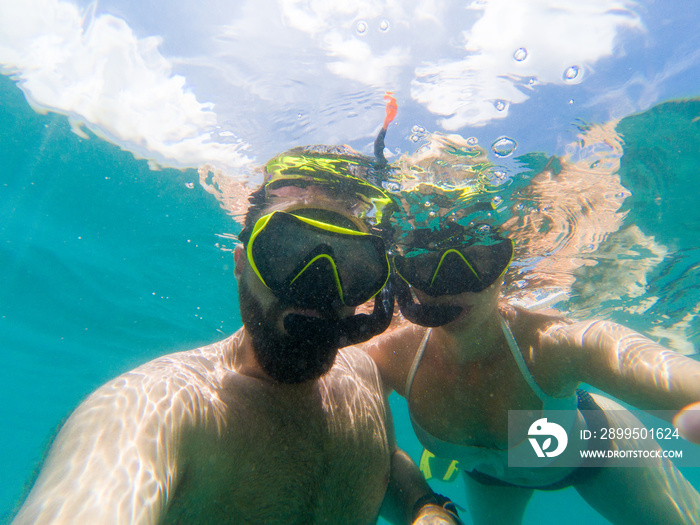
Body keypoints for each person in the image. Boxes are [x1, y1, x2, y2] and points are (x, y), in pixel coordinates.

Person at [12, 146, 463, 525]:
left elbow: (380, 462)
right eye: (286, 253)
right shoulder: (158, 409)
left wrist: (427, 507)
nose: (319, 288)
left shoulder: (362, 373)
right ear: (241, 263)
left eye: (352, 266)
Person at [362, 181, 700, 524]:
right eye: (427, 264)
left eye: (478, 260)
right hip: (488, 478)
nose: (453, 284)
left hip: (597, 456)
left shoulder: (552, 345)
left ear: (504, 263)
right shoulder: (390, 358)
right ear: (404, 272)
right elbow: (352, 442)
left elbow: (621, 354)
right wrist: (425, 506)